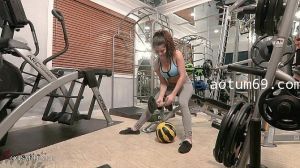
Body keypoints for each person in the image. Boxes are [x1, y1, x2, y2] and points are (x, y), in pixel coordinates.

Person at [119, 30, 194, 154]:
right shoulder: (156, 63)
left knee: (182, 102)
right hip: (169, 85)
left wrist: (173, 94)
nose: (160, 54)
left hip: (185, 84)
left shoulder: (177, 55)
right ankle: (135, 128)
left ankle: (188, 139)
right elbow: (163, 83)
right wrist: (161, 96)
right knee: (154, 102)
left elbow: (182, 77)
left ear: (168, 46)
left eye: (162, 51)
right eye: (157, 51)